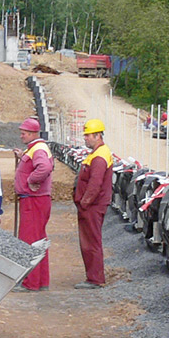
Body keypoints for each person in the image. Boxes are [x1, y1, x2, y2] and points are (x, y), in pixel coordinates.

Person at [72, 118, 115, 288]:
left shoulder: (99, 157)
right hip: (91, 205)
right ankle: (93, 277)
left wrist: (84, 203)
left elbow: (95, 184)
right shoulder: (97, 154)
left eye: (88, 135)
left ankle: (95, 279)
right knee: (90, 240)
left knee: (91, 241)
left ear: (98, 135)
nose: (85, 138)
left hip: (92, 206)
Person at [11, 117, 52, 290]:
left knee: (30, 241)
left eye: (24, 133)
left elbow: (43, 168)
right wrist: (22, 157)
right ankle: (41, 280)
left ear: (33, 133)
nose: (21, 135)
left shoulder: (38, 150)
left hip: (33, 200)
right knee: (39, 240)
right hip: (37, 200)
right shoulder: (37, 148)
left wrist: (30, 180)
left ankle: (31, 283)